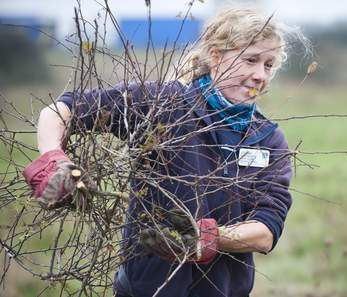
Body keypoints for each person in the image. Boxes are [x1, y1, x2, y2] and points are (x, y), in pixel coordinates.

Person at [23, 5, 312, 297]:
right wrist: (52, 159)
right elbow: (63, 110)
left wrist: (207, 237)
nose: (260, 75)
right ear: (215, 57)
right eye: (250, 60)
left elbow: (266, 230)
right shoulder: (161, 106)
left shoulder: (267, 138)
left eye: (268, 65)